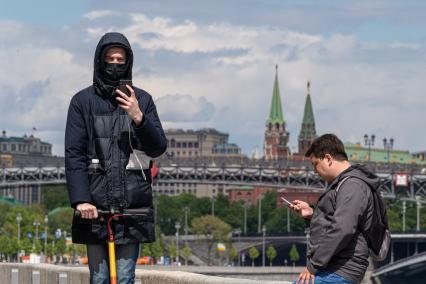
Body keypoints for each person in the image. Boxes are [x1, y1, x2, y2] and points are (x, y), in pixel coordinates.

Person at [65, 32, 167, 283]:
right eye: (110, 58)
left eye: (120, 59)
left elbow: (157, 148)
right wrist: (80, 201)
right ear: (99, 61)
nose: (114, 64)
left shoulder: (142, 100)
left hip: (132, 206)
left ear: (128, 62)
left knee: (125, 277)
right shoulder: (82, 102)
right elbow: (74, 154)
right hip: (95, 207)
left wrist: (138, 116)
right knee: (98, 278)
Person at [291, 134, 377, 284]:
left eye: (315, 164)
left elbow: (342, 229)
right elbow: (337, 220)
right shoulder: (342, 184)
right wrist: (312, 214)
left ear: (328, 159)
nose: (314, 171)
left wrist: (313, 266)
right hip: (332, 269)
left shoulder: (352, 186)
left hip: (340, 271)